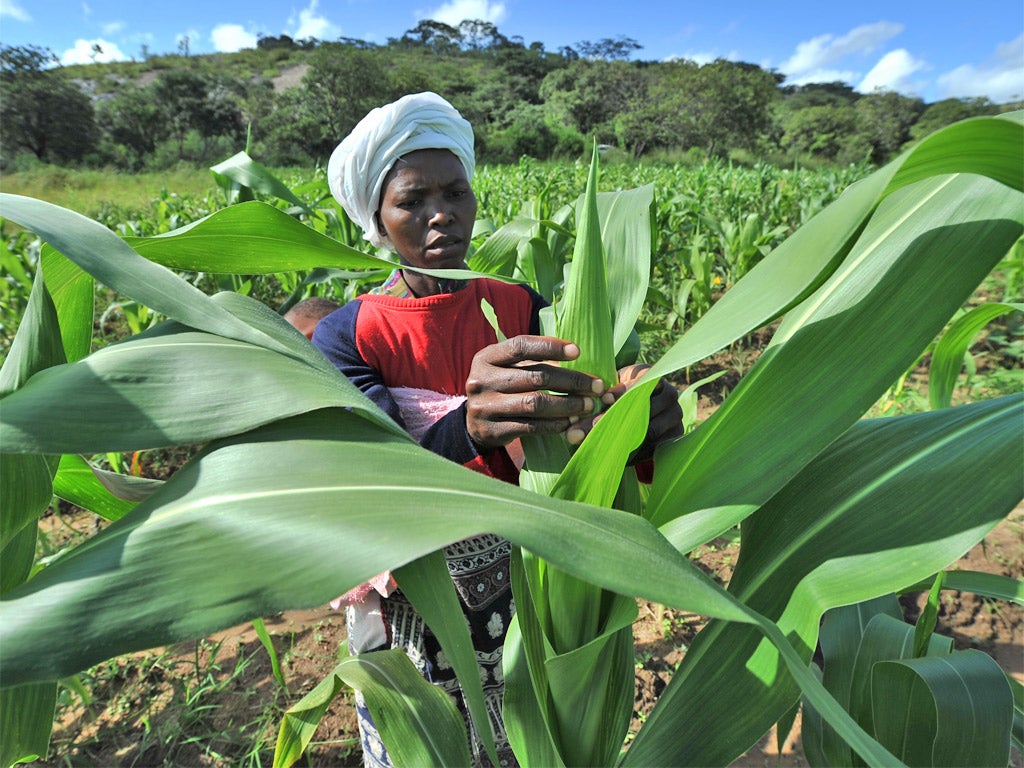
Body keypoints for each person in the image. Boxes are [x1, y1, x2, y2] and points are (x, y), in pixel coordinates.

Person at [312, 92, 683, 768]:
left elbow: (583, 430)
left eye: (456, 192)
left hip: (532, 582)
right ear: (376, 216)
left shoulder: (521, 306)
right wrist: (466, 430)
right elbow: (365, 480)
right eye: (413, 199)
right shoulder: (349, 334)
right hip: (418, 598)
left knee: (536, 736)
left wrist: (640, 422)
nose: (440, 214)